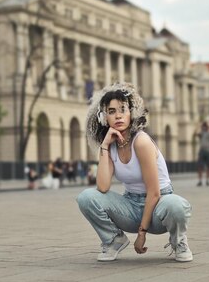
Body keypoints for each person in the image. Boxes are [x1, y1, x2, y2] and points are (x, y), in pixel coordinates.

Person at [76, 82, 193, 262]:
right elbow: (103, 186)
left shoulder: (141, 141)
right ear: (103, 117)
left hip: (159, 207)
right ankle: (114, 240)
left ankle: (179, 241)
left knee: (176, 205)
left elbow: (154, 193)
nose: (118, 116)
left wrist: (142, 233)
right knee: (86, 197)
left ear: (132, 113)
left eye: (123, 109)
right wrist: (105, 146)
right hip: (131, 206)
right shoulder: (110, 145)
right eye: (112, 111)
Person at [194, 121, 209, 186]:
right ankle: (200, 180)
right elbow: (195, 133)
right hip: (202, 151)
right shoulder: (201, 132)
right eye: (204, 125)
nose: (205, 127)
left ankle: (207, 180)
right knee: (200, 166)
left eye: (205, 125)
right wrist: (199, 126)